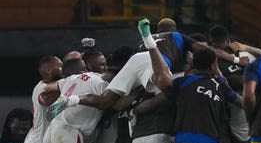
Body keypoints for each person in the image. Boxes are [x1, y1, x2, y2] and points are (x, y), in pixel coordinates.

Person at [47, 19, 244, 115]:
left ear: (158, 31)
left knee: (107, 102)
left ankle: (71, 100)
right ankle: (149, 44)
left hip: (137, 59)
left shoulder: (147, 43)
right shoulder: (178, 37)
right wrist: (234, 61)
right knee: (167, 83)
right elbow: (209, 51)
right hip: (155, 60)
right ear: (173, 30)